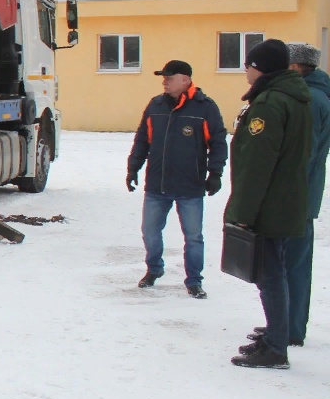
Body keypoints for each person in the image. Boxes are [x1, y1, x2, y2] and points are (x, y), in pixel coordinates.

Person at [226, 39, 310, 369]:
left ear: (260, 68)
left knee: (270, 274)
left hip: (270, 203)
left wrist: (243, 214)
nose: (245, 70)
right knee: (276, 271)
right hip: (286, 198)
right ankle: (276, 335)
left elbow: (257, 164)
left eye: (249, 64)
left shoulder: (269, 104)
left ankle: (276, 347)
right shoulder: (294, 97)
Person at [125, 59, 227, 297]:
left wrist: (216, 173)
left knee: (193, 236)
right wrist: (133, 168)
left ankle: (193, 280)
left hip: (190, 185)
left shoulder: (205, 107)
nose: (165, 82)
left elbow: (218, 143)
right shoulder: (156, 105)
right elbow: (142, 139)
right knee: (149, 231)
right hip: (157, 184)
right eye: (164, 78)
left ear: (185, 80)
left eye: (169, 78)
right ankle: (154, 268)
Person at [267, 42, 330, 347]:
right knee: (291, 262)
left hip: (299, 198)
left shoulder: (311, 99)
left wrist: (286, 194)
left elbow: (306, 153)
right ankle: (285, 325)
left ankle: (289, 329)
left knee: (293, 263)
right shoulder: (313, 94)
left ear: (295, 67)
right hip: (301, 195)